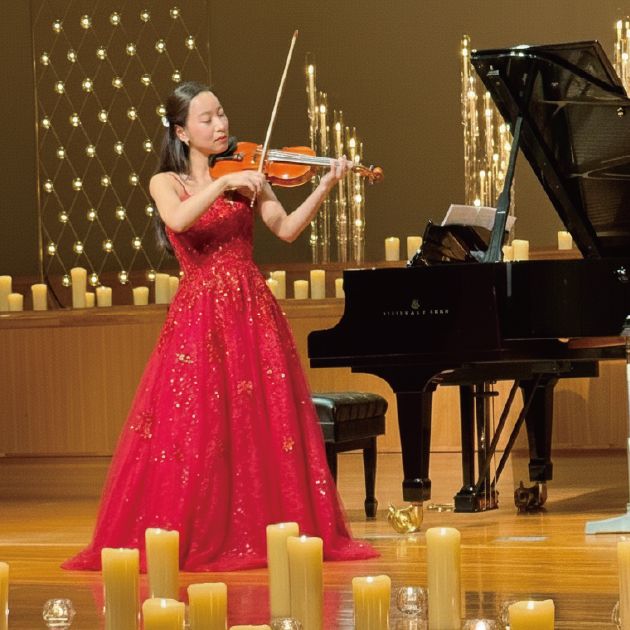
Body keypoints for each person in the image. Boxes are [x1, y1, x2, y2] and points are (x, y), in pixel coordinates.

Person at [63, 81, 377, 571]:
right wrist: (221, 184)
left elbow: (286, 229)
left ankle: (265, 527)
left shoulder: (249, 172)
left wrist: (324, 185)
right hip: (200, 313)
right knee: (197, 424)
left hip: (252, 308)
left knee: (259, 423)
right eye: (206, 118)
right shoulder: (167, 182)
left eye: (221, 114)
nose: (220, 124)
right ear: (181, 131)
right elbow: (179, 220)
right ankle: (200, 528)